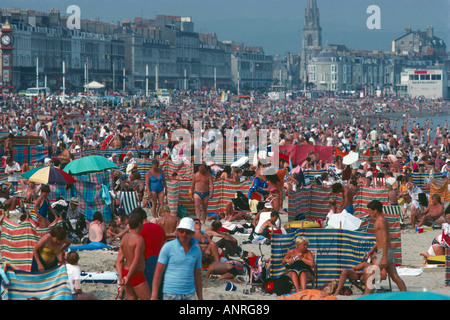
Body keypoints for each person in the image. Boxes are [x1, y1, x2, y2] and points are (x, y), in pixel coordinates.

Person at [151, 217, 203, 300]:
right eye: (181, 231)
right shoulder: (168, 247)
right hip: (171, 293)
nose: (184, 234)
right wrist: (154, 295)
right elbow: (158, 272)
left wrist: (200, 297)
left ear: (192, 233)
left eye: (187, 232)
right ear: (177, 231)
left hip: (189, 293)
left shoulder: (197, 250)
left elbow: (197, 275)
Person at [366, 200, 406, 293]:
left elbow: (386, 239)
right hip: (384, 251)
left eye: (370, 210)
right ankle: (405, 295)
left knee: (370, 276)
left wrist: (384, 258)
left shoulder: (381, 221)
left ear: (375, 210)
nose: (369, 213)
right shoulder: (379, 221)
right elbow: (380, 239)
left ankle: (365, 297)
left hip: (384, 252)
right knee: (395, 277)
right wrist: (373, 249)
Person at [116, 211, 151, 300]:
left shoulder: (125, 238)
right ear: (140, 224)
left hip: (125, 271)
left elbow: (119, 260)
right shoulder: (139, 239)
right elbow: (136, 260)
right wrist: (128, 276)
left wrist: (121, 276)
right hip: (136, 273)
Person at [134, 207, 166, 295]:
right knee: (160, 292)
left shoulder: (140, 230)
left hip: (148, 260)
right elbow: (165, 243)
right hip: (162, 260)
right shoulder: (159, 227)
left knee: (151, 292)